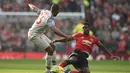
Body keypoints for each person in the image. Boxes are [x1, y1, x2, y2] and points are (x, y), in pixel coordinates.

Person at [52, 22, 120, 73]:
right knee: (73, 60)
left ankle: (67, 72)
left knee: (86, 72)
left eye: (86, 27)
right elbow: (67, 39)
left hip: (84, 57)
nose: (84, 29)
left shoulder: (94, 38)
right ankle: (57, 68)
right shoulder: (78, 35)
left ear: (89, 28)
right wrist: (57, 40)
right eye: (83, 28)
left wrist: (111, 55)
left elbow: (102, 47)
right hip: (76, 52)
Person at [27, 4, 68, 73]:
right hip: (33, 35)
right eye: (58, 11)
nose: (58, 13)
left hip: (39, 33)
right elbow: (54, 29)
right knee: (50, 50)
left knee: (53, 46)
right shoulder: (50, 18)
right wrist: (65, 36)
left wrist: (29, 4)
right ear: (56, 11)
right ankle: (47, 70)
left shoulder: (45, 11)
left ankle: (55, 67)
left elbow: (35, 8)